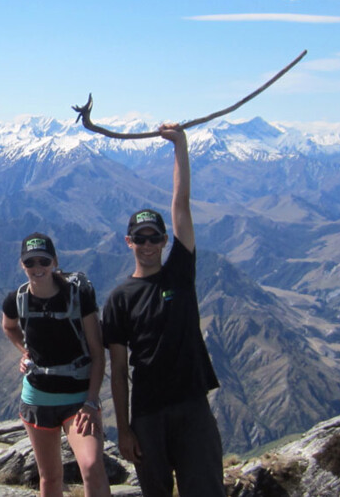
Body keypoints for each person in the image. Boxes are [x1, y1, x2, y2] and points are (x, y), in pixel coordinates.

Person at [101, 124, 224, 496]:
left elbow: (180, 204)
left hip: (192, 405)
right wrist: (123, 429)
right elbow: (119, 372)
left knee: (204, 489)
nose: (149, 244)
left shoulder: (180, 273)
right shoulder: (119, 299)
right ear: (129, 242)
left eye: (156, 237)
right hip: (148, 414)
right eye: (141, 238)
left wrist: (180, 147)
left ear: (165, 239)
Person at [2, 233, 111, 497]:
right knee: (49, 478)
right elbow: (8, 326)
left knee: (92, 466)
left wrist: (92, 401)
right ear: (22, 265)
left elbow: (98, 353)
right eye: (31, 263)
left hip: (78, 398)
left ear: (55, 262)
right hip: (37, 399)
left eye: (43, 261)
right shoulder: (16, 299)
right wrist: (25, 351)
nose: (37, 268)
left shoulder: (77, 296)